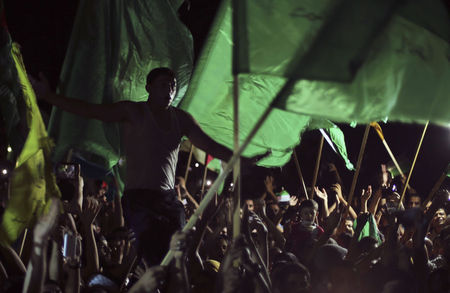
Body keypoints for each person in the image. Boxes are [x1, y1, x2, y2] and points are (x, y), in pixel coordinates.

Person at [30, 67, 266, 266]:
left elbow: (210, 145)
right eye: (163, 85)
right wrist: (49, 96)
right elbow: (91, 111)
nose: (170, 90)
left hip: (168, 200)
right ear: (149, 88)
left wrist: (239, 159)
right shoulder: (133, 111)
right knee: (149, 261)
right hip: (139, 200)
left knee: (176, 261)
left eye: (173, 86)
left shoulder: (181, 119)